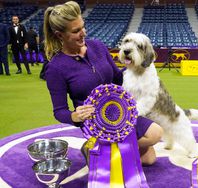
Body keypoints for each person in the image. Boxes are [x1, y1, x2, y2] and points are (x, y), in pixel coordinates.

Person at [44, 1, 163, 165]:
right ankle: (97, 144)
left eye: (83, 27)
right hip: (95, 122)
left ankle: (101, 149)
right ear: (59, 35)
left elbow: (117, 78)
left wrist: (141, 71)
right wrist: (75, 116)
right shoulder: (55, 68)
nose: (83, 33)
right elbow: (59, 111)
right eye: (76, 31)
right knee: (155, 134)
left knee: (149, 159)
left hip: (121, 112)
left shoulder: (97, 46)